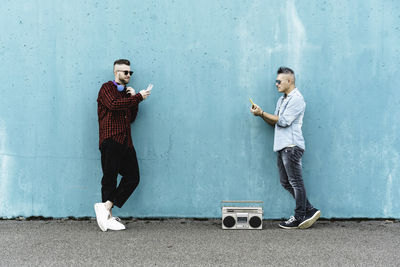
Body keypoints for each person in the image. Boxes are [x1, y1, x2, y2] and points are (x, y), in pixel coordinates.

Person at [250, 67, 320, 229]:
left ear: (289, 81)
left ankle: (299, 216)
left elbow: (283, 121)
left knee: (295, 182)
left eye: (279, 81)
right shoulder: (282, 100)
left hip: (292, 146)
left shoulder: (297, 99)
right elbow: (275, 121)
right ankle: (309, 209)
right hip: (282, 146)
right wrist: (261, 114)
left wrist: (262, 113)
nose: (276, 84)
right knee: (285, 182)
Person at [94, 59, 152, 231]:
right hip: (111, 139)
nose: (128, 75)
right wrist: (137, 97)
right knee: (109, 178)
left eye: (130, 73)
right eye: (125, 72)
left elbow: (131, 118)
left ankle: (105, 208)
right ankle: (108, 218)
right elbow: (113, 105)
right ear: (116, 72)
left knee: (133, 177)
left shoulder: (126, 94)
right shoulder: (107, 88)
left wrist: (134, 99)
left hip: (126, 143)